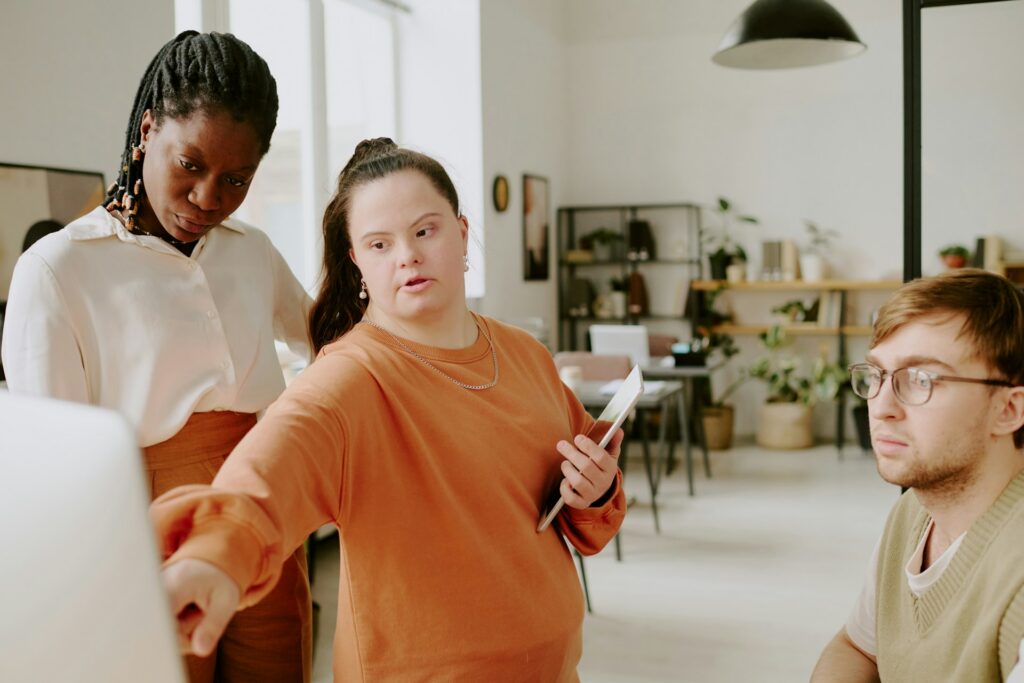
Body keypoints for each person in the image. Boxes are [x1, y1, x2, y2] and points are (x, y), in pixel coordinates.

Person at [150, 138, 627, 681]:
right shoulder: (351, 375)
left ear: (463, 233)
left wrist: (598, 488)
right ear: (357, 260)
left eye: (425, 230)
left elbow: (587, 501)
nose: (408, 256)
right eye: (379, 244)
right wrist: (212, 554)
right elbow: (269, 470)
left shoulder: (525, 355)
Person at [1, 31, 313, 682]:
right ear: (147, 129)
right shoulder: (59, 268)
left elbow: (330, 341)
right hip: (143, 532)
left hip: (264, 516)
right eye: (190, 165)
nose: (208, 198)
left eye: (236, 179)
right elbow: (48, 456)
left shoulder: (251, 250)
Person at [810, 269, 1024, 682]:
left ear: (1009, 409)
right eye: (876, 375)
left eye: (921, 379)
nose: (881, 406)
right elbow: (858, 648)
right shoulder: (915, 509)